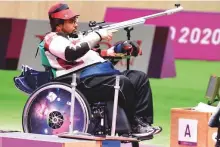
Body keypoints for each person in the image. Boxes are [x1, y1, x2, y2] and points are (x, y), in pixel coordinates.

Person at [38, 2, 162, 138]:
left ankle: (143, 123)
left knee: (139, 78)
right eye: (71, 21)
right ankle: (132, 125)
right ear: (59, 24)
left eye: (76, 20)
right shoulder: (52, 39)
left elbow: (97, 56)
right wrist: (97, 35)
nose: (76, 24)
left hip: (95, 76)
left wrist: (118, 49)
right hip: (78, 81)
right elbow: (71, 53)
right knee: (121, 82)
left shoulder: (76, 38)